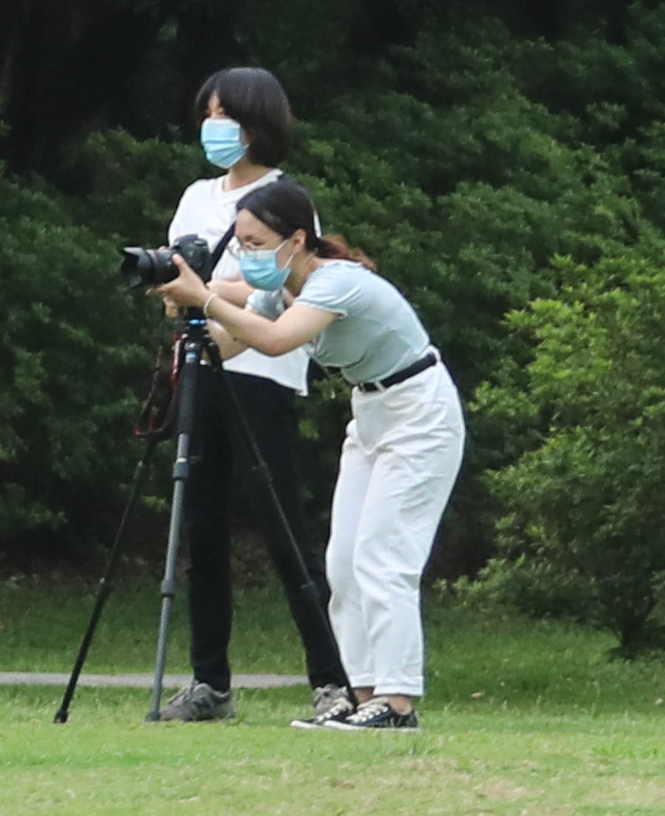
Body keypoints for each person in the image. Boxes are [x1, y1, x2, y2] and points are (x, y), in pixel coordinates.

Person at [165, 177, 465, 733]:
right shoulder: (279, 289)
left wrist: (204, 298)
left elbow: (276, 341)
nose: (247, 257)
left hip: (420, 411)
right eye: (243, 246)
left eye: (256, 244)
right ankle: (364, 693)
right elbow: (235, 343)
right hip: (372, 412)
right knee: (344, 562)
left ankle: (398, 704)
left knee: (383, 558)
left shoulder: (337, 282)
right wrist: (192, 323)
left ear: (297, 240)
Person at [152, 67, 349, 728]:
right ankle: (209, 680)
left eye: (226, 117)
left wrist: (209, 291)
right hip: (199, 367)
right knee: (199, 526)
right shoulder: (195, 195)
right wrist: (206, 290)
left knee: (280, 524)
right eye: (207, 115)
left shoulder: (285, 197)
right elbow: (177, 279)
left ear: (257, 122)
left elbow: (284, 283)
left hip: (261, 371)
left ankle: (330, 678)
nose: (214, 130)